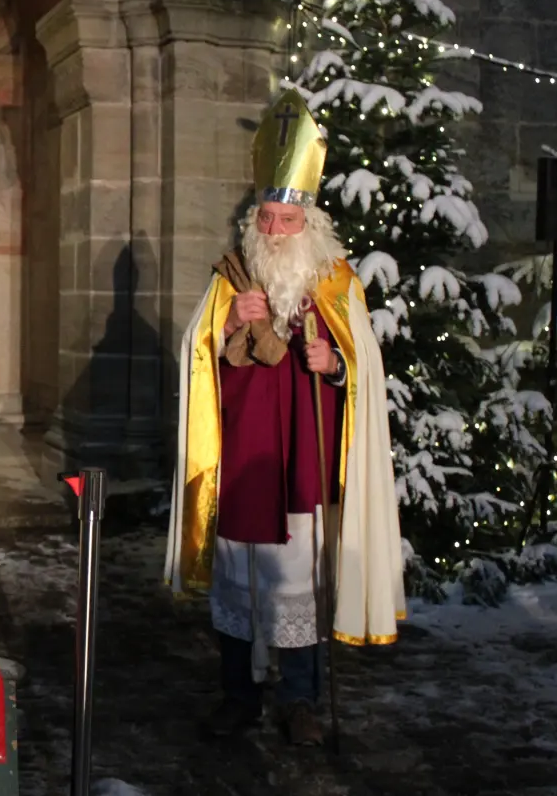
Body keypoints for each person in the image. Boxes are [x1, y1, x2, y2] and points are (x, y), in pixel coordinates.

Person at [165, 86, 405, 747]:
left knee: (300, 585)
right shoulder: (230, 278)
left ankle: (299, 700)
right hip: (242, 463)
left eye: (286, 222)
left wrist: (334, 365)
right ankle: (239, 696)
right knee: (239, 583)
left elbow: (366, 372)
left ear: (311, 229)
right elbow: (194, 357)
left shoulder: (337, 285)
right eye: (266, 219)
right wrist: (222, 334)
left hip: (304, 465)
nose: (273, 231)